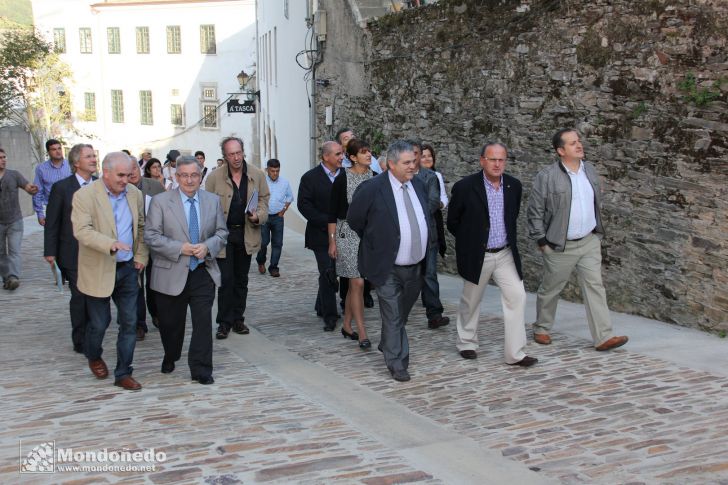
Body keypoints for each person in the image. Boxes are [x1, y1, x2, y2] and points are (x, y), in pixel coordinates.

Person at [527, 128, 628, 351]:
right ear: (560, 150)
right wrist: (542, 242)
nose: (579, 145)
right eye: (573, 143)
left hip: (589, 241)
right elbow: (534, 211)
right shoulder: (547, 176)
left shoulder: (589, 170)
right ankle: (542, 328)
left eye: (579, 141)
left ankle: (603, 336)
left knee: (595, 286)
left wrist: (596, 233)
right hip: (560, 245)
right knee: (551, 288)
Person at [447, 143, 538, 367]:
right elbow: (453, 222)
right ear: (482, 161)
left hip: (505, 253)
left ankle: (515, 353)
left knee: (518, 296)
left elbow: (512, 216)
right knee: (471, 300)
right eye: (492, 159)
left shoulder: (514, 186)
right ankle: (467, 342)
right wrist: (471, 242)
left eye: (501, 160)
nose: (497, 164)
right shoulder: (465, 187)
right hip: (479, 254)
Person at [348, 140, 431, 382]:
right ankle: (397, 362)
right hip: (386, 266)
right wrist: (377, 241)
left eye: (414, 161)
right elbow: (355, 220)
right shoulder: (373, 188)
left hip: (415, 265)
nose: (412, 166)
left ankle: (388, 341)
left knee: (401, 313)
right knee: (393, 314)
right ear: (391, 164)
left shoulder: (419, 185)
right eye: (406, 163)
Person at [145, 156, 228, 385]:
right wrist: (180, 248)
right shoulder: (161, 202)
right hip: (171, 271)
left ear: (201, 176)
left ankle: (201, 369)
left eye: (194, 175)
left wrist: (207, 246)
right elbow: (151, 236)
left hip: (202, 271)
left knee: (203, 323)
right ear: (175, 176)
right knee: (171, 324)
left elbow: (222, 233)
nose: (189, 180)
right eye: (184, 175)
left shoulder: (212, 201)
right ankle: (171, 354)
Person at [71, 152, 148, 391]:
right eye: (121, 175)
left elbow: (142, 226)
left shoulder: (134, 194)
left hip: (127, 269)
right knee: (99, 324)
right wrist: (109, 244)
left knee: (129, 322)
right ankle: (93, 355)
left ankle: (123, 372)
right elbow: (82, 231)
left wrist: (140, 255)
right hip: (99, 268)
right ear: (106, 172)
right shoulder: (85, 195)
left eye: (129, 174)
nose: (126, 180)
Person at [205, 137, 270, 339]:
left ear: (243, 152)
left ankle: (238, 319)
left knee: (241, 279)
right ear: (224, 156)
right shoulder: (214, 177)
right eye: (231, 154)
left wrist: (258, 215)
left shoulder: (257, 174)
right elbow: (207, 206)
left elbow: (264, 200)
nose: (236, 157)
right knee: (226, 280)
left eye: (239, 152)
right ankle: (224, 322)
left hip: (246, 232)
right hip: (224, 235)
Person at [43, 143, 96, 352]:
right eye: (88, 156)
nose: (93, 159)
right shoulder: (62, 188)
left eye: (94, 156)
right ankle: (81, 338)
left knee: (96, 296)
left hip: (98, 252)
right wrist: (50, 251)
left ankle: (94, 331)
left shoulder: (101, 186)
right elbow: (53, 222)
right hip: (72, 252)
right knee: (80, 296)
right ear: (76, 162)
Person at [328, 139, 373, 349]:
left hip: (367, 236)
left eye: (369, 151)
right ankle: (362, 331)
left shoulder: (374, 178)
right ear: (352, 157)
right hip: (346, 234)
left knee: (354, 286)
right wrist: (332, 242)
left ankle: (347, 324)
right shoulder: (341, 178)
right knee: (358, 283)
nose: (369, 155)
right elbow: (332, 213)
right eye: (363, 152)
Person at [298, 141, 343, 332]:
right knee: (327, 272)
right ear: (326, 157)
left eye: (342, 154)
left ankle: (321, 304)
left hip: (343, 233)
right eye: (338, 154)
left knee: (333, 271)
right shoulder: (310, 178)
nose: (342, 157)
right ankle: (330, 315)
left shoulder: (346, 175)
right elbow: (304, 205)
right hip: (320, 235)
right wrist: (327, 221)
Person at [410, 139, 449, 329]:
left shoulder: (430, 177)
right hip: (406, 235)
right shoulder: (397, 176)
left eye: (418, 153)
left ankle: (434, 314)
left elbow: (434, 202)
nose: (415, 158)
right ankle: (399, 313)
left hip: (427, 234)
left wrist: (408, 211)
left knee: (429, 274)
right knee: (406, 276)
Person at [129, 162, 165, 340]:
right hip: (133, 244)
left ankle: (157, 314)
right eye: (127, 170)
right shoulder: (121, 189)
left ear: (139, 169)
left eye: (134, 168)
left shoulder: (155, 187)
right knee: (136, 285)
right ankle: (139, 324)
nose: (132, 173)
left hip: (156, 243)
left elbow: (168, 208)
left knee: (154, 283)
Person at [0, 148, 39, 290]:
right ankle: (7, 278)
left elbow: (27, 186)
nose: (3, 160)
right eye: (0, 157)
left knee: (14, 250)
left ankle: (13, 277)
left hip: (14, 220)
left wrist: (32, 189)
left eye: (4, 157)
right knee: (1, 252)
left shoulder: (14, 175)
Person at [256, 159, 294, 277]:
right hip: (264, 217)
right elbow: (254, 197)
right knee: (263, 242)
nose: (275, 173)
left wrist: (283, 211)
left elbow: (290, 197)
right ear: (267, 170)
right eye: (272, 171)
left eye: (277, 171)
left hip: (278, 217)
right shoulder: (261, 182)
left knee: (277, 243)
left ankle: (273, 267)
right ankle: (260, 261)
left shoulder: (284, 182)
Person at [33, 139, 70, 226]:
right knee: (53, 237)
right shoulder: (41, 169)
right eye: (54, 149)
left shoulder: (71, 165)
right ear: (48, 152)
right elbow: (38, 191)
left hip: (71, 207)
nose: (58, 152)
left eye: (59, 148)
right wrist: (40, 214)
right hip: (52, 208)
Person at [421, 143, 448, 257]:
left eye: (429, 155)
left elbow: (444, 197)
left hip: (434, 219)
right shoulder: (412, 176)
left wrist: (439, 204)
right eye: (423, 156)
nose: (427, 158)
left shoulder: (437, 175)